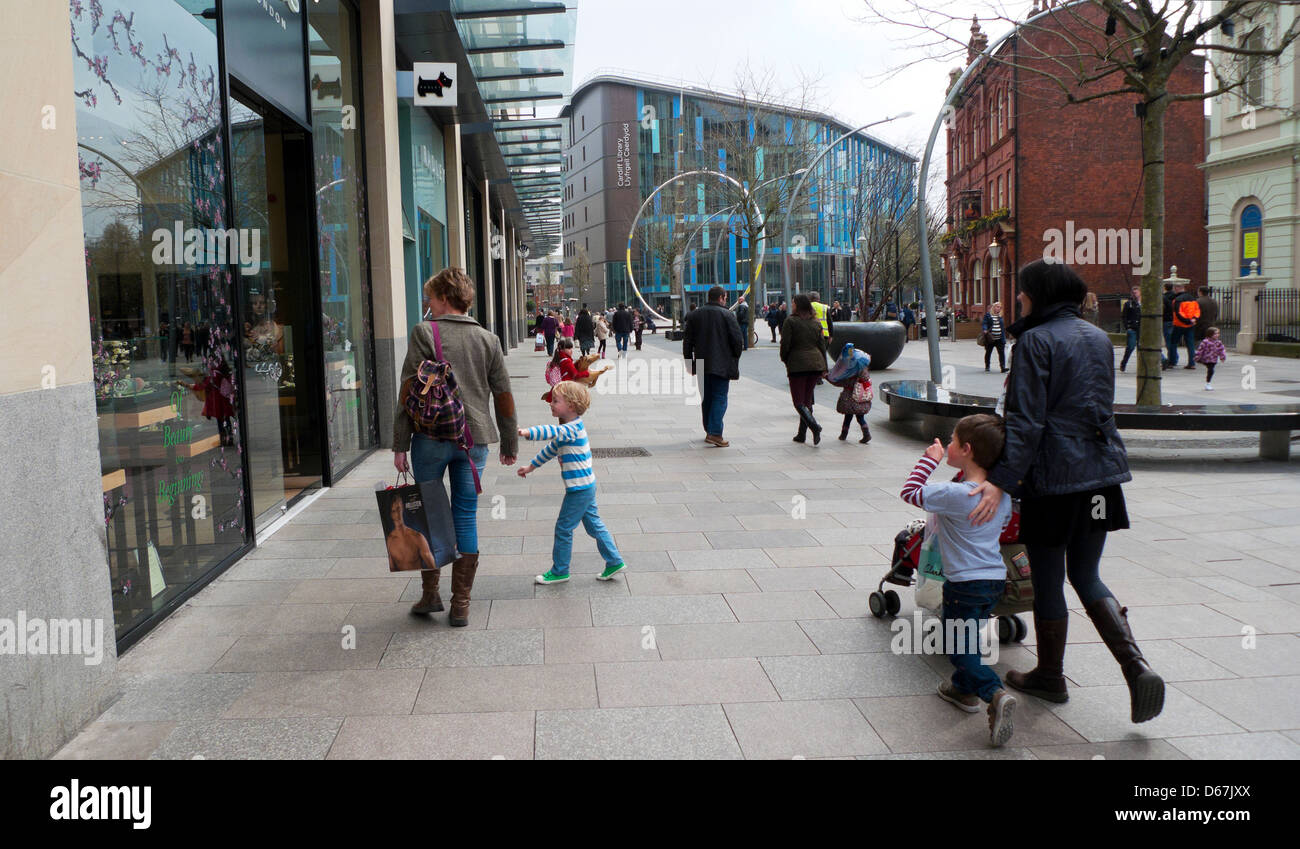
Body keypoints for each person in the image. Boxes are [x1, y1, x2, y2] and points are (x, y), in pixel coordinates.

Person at [968, 260, 1164, 725]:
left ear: (1038, 293)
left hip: (1054, 479)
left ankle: (1051, 676)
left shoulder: (1034, 341)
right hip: (1101, 476)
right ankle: (1136, 667)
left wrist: (1001, 481)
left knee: (1050, 579)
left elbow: (1027, 421)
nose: (1018, 299)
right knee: (1088, 575)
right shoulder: (1096, 336)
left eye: (1023, 291)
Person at [393, 267, 518, 627]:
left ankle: (430, 595)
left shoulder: (424, 332)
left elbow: (407, 393)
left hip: (430, 438)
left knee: (428, 513)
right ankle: (460, 604)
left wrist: (400, 444)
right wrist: (508, 442)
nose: (427, 302)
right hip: (473, 441)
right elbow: (503, 395)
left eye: (430, 296)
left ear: (445, 299)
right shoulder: (489, 340)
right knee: (465, 514)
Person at [900, 414, 1018, 747]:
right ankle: (962, 691)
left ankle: (993, 693)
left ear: (966, 450)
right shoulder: (1001, 496)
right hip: (993, 580)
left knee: (959, 646)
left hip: (963, 584)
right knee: (969, 636)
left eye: (951, 441)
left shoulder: (956, 494)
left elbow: (910, 492)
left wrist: (930, 460)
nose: (947, 445)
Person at [519, 381, 627, 585]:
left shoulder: (572, 428)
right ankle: (614, 560)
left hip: (579, 489)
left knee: (563, 528)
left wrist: (527, 432)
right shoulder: (568, 430)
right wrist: (531, 467)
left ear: (571, 405)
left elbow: (549, 432)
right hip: (586, 485)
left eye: (556, 400)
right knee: (594, 526)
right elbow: (551, 449)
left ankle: (560, 570)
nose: (550, 403)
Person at [683, 285, 743, 447]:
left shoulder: (694, 315)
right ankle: (715, 432)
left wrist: (689, 363)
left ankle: (709, 429)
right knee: (720, 397)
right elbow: (737, 341)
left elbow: (687, 342)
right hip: (721, 363)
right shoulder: (727, 315)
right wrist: (734, 357)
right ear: (721, 298)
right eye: (725, 297)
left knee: (707, 398)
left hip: (702, 363)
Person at [780, 294, 828, 445]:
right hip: (815, 364)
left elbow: (785, 344)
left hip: (798, 365)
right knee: (807, 401)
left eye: (793, 303)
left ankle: (814, 427)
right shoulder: (815, 322)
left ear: (798, 305)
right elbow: (822, 346)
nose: (791, 305)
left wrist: (785, 358)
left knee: (798, 402)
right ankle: (802, 434)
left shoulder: (791, 321)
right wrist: (824, 367)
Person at [384, 496, 437, 573]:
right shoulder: (390, 540)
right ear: (390, 514)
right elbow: (392, 568)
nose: (397, 514)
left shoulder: (417, 537)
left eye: (399, 509)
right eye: (393, 511)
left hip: (419, 579)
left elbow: (433, 567)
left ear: (403, 508)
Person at [834, 353, 872, 443]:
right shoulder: (864, 372)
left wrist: (830, 378)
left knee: (848, 417)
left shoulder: (849, 373)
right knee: (860, 418)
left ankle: (844, 434)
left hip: (849, 398)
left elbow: (841, 382)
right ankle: (866, 434)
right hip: (860, 398)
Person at [542, 337, 588, 403]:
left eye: (571, 348)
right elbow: (575, 375)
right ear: (562, 349)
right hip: (566, 388)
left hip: (561, 388)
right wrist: (586, 373)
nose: (571, 350)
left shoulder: (559, 359)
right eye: (569, 348)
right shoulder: (567, 361)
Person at [1171, 285, 1200, 369]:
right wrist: (1194, 319)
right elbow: (1197, 310)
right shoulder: (1193, 299)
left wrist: (1186, 321)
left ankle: (1172, 362)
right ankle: (1192, 363)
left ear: (1177, 289)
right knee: (1190, 344)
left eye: (1175, 288)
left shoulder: (1177, 300)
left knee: (1173, 343)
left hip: (1179, 325)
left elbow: (1178, 313)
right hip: (1191, 325)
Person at [1195, 327, 1227, 391]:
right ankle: (1208, 383)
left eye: (1218, 333)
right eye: (1215, 334)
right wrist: (1197, 357)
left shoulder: (1218, 342)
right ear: (1210, 334)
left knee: (1211, 370)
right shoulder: (1205, 341)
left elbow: (1221, 350)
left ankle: (1208, 383)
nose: (1217, 335)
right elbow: (1200, 350)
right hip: (1206, 359)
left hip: (1213, 359)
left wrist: (1222, 357)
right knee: (1211, 370)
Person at [1119, 286, 1142, 373]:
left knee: (1142, 347)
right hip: (1132, 328)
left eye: (1136, 292)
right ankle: (1123, 363)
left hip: (1142, 328)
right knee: (1130, 347)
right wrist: (1127, 327)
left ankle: (1141, 364)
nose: (1135, 294)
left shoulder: (1144, 303)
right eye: (1133, 293)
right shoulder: (1129, 304)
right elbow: (1124, 316)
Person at [981, 302, 1008, 373]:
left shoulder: (1000, 316)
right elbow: (984, 323)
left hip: (999, 338)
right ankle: (987, 366)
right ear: (993, 307)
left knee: (1001, 353)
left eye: (1000, 307)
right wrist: (985, 329)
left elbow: (1002, 327)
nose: (998, 308)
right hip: (991, 338)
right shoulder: (988, 315)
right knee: (988, 352)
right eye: (997, 307)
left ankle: (1003, 367)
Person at [1160, 282, 1177, 369]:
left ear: (1164, 288)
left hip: (1166, 320)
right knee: (1171, 340)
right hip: (1173, 320)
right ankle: (1174, 358)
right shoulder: (1176, 296)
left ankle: (1172, 360)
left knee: (1168, 341)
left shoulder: (1164, 298)